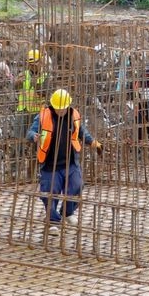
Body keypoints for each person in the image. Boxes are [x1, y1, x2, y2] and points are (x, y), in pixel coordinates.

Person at [27, 88, 100, 234]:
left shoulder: (74, 115)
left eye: (63, 108)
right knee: (49, 192)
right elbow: (30, 132)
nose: (61, 111)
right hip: (50, 164)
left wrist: (92, 142)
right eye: (58, 108)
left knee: (77, 186)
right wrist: (34, 136)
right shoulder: (43, 116)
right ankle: (53, 221)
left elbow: (81, 131)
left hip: (70, 162)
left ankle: (67, 212)